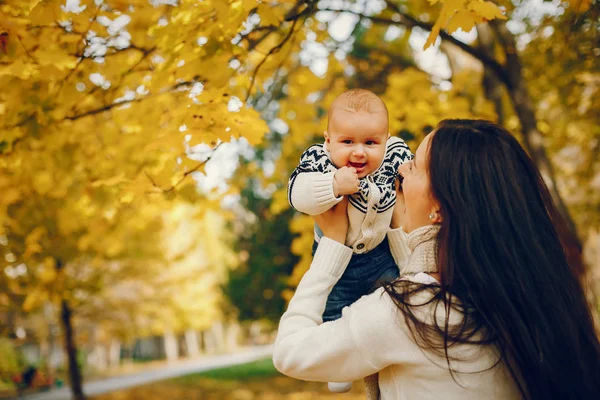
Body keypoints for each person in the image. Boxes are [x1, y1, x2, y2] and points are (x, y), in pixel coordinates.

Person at [274, 119, 600, 400]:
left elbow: (291, 352)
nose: (399, 168)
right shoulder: (529, 296)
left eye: (413, 165)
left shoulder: (409, 311)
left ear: (441, 204)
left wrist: (332, 243)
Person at [287, 88, 413, 393]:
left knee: (395, 297)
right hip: (337, 257)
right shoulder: (320, 160)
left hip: (380, 252)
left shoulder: (394, 155)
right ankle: (338, 363)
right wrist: (332, 185)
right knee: (334, 305)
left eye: (371, 143)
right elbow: (297, 194)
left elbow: (411, 175)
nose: (359, 152)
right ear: (328, 140)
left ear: (386, 139)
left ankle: (392, 344)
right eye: (347, 142)